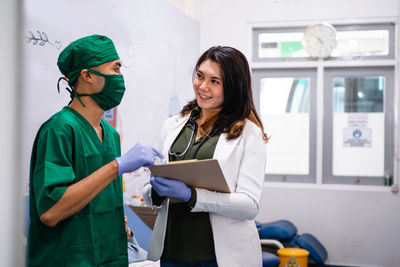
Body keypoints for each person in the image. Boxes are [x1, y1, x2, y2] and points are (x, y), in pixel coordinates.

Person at [27, 34, 163, 267]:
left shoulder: (110, 135)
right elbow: (50, 211)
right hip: (68, 259)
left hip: (109, 257)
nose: (120, 78)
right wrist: (116, 167)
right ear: (87, 75)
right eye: (115, 69)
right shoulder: (59, 130)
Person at [143, 46, 268, 267]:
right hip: (172, 251)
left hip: (220, 257)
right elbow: (151, 186)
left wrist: (192, 196)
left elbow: (249, 205)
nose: (202, 86)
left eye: (214, 81)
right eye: (200, 76)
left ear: (232, 88)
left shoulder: (250, 135)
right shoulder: (173, 125)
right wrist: (154, 191)